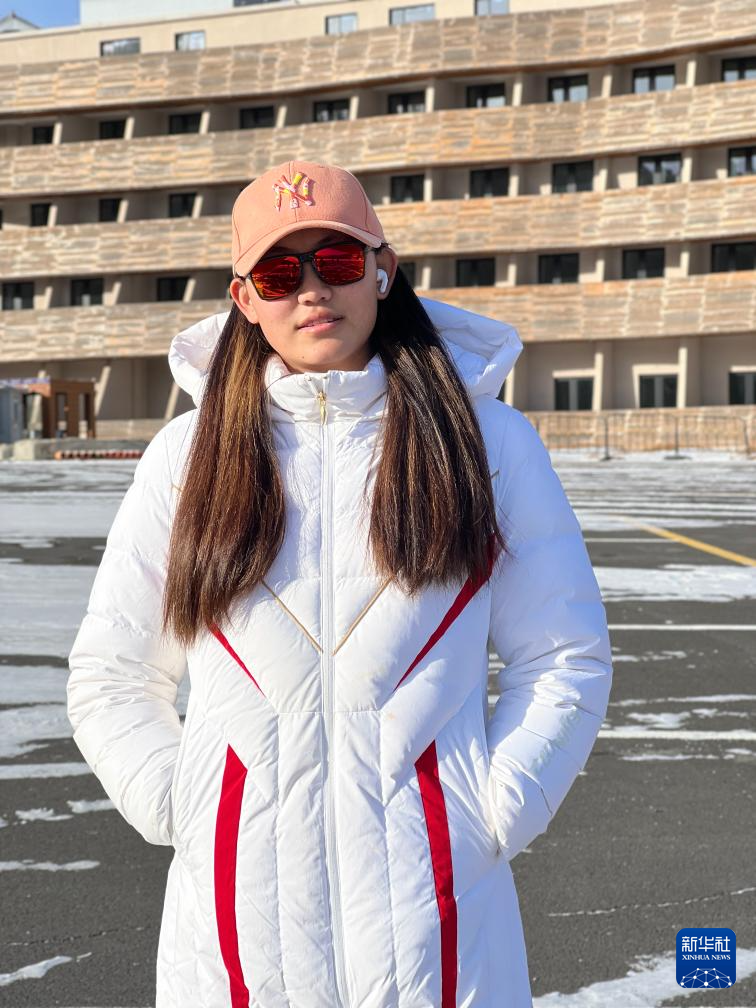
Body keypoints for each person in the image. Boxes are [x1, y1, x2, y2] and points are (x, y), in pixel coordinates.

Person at [67, 159, 613, 1008]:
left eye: (340, 260)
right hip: (235, 936)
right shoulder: (187, 458)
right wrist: (190, 810)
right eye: (280, 273)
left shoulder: (486, 444)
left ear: (383, 271)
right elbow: (113, 673)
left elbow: (564, 657)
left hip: (441, 931)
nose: (313, 290)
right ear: (244, 298)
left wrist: (489, 812)